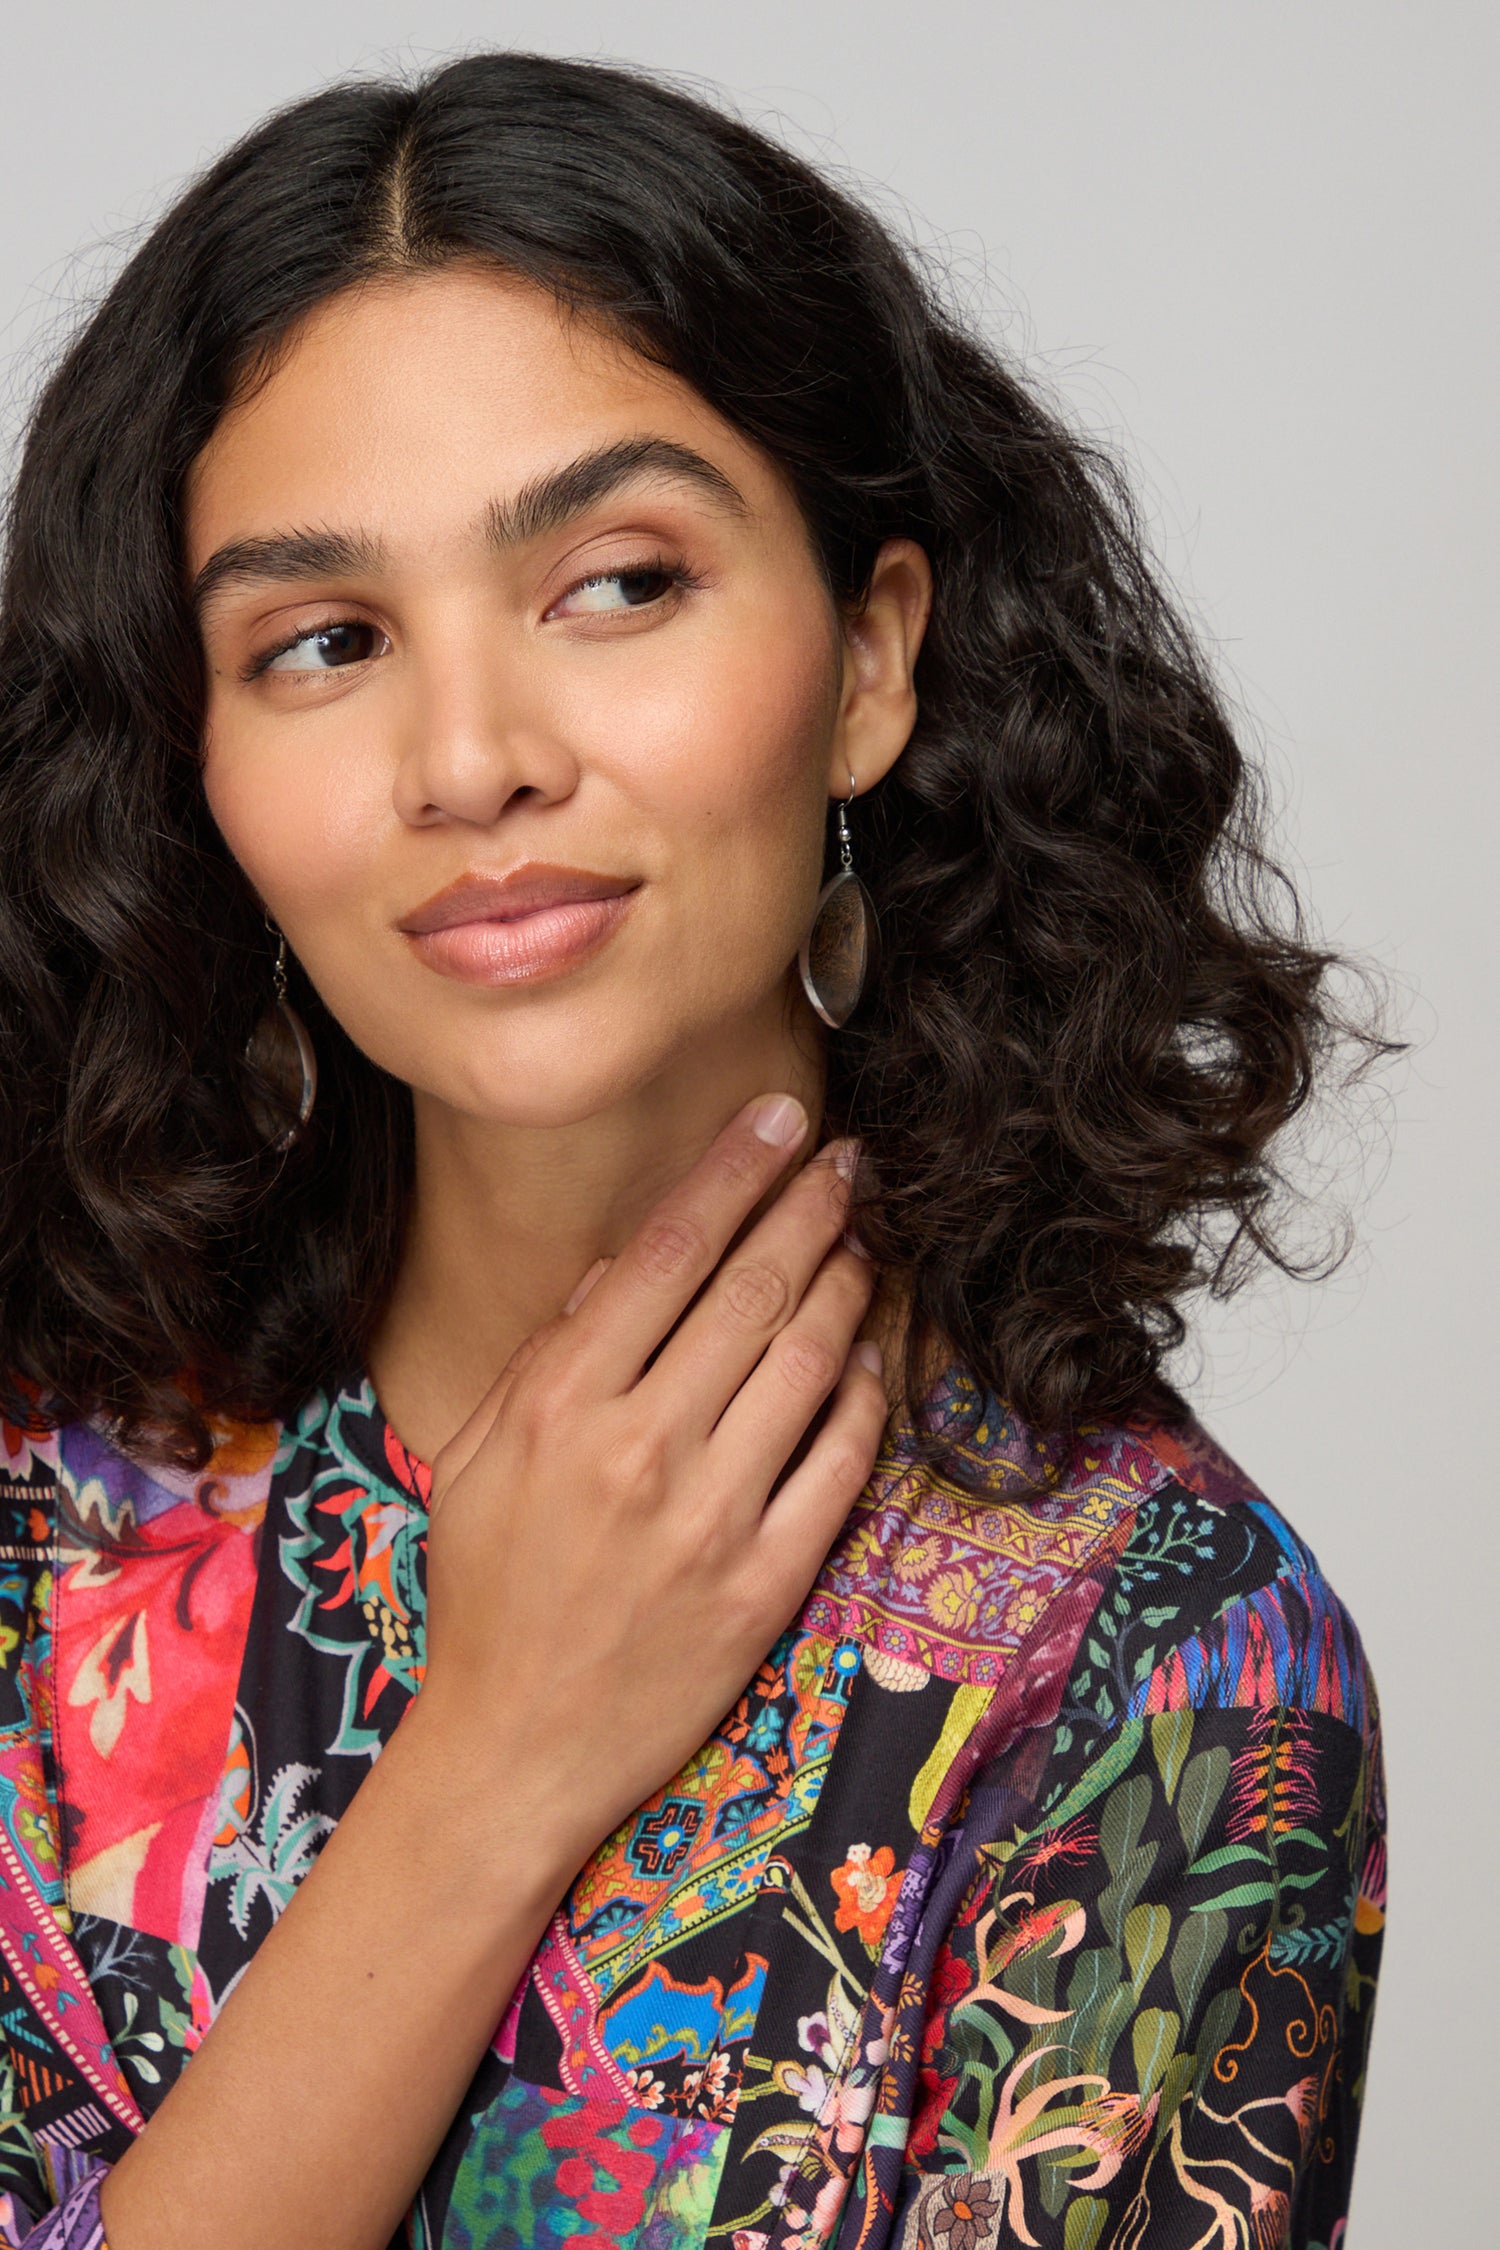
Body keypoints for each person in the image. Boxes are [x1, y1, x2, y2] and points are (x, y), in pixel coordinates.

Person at [0, 51, 1385, 2250]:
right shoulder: (50, 1538)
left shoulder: (1162, 1660)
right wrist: (489, 1769)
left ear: (867, 660)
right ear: (199, 772)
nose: (471, 758)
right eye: (325, 642)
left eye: (616, 583)